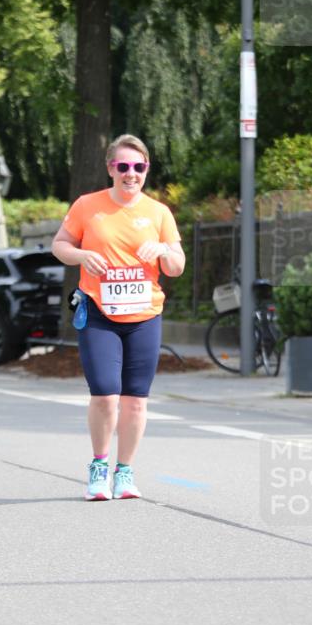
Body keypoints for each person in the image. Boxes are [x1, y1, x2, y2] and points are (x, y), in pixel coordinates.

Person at [51, 134, 186, 502]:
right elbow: (59, 245)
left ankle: (124, 473)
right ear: (111, 168)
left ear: (146, 170)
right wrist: (81, 257)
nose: (131, 174)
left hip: (144, 316)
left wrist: (162, 250)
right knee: (105, 396)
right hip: (99, 313)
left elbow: (176, 267)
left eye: (138, 167)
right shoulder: (87, 206)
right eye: (123, 166)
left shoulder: (159, 213)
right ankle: (99, 466)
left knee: (136, 400)